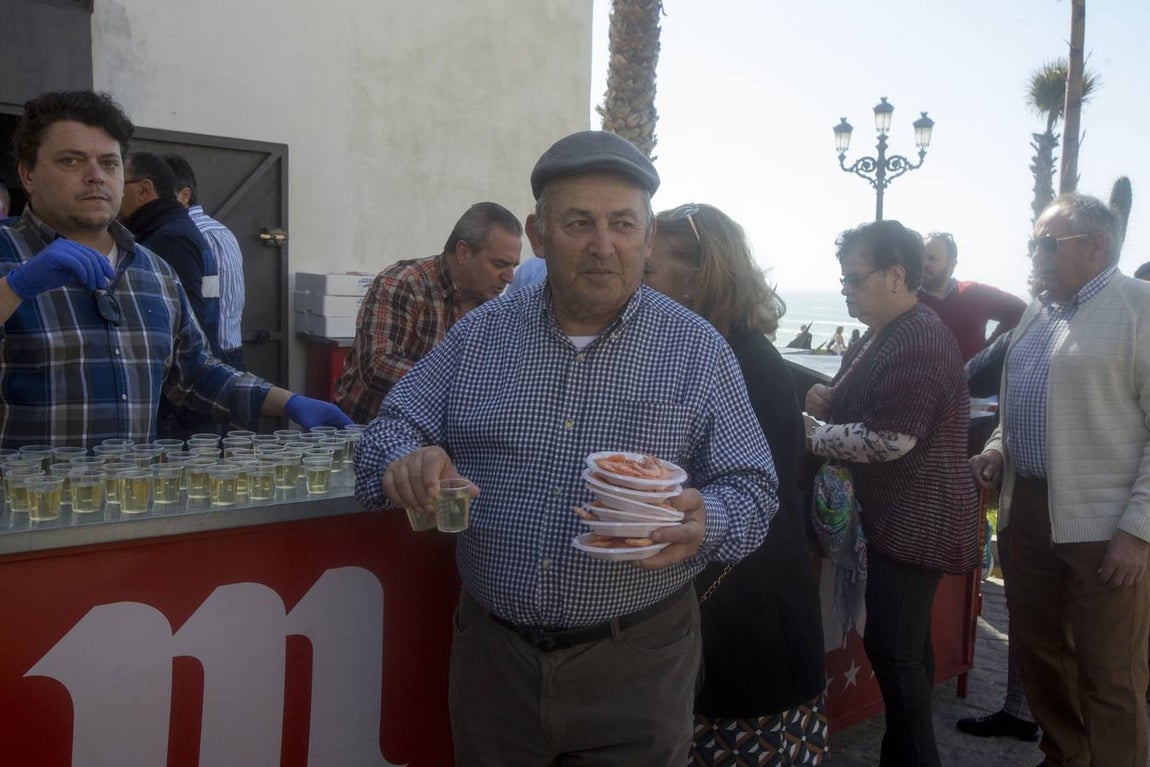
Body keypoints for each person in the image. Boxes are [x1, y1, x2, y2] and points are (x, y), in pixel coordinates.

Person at [353, 130, 779, 766]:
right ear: (538, 232)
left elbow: (753, 488)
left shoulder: (697, 350)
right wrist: (404, 460)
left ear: (648, 236)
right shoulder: (480, 336)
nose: (603, 246)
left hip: (638, 662)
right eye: (579, 222)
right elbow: (389, 428)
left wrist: (706, 520)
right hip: (494, 662)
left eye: (622, 224)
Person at [0, 90, 349, 448]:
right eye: (71, 161)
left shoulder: (154, 271)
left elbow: (195, 373)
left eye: (109, 163)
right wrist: (15, 288)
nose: (95, 176)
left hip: (132, 497)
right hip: (26, 500)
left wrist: (287, 401)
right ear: (28, 174)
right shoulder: (6, 253)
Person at [971, 193, 1150, 767]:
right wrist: (999, 447)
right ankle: (1065, 756)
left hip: (1104, 521)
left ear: (1095, 247)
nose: (1034, 254)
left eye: (1047, 244)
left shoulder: (1139, 308)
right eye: (1033, 242)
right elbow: (1021, 400)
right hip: (1028, 509)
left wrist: (1139, 529)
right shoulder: (1039, 310)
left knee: (1110, 669)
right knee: (1041, 652)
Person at [644, 202, 826, 765]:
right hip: (730, 602)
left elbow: (754, 504)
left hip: (749, 615)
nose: (635, 283)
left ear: (698, 278)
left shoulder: (746, 363)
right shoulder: (719, 353)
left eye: (648, 271)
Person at [804, 220, 979, 767]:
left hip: (917, 521)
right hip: (904, 516)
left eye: (853, 280)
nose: (847, 291)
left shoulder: (921, 337)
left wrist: (812, 434)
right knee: (909, 651)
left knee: (894, 652)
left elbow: (892, 438)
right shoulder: (888, 331)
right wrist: (827, 397)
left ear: (897, 276)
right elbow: (868, 402)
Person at [333, 202, 522, 423]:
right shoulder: (403, 284)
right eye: (500, 264)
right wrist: (464, 384)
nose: (510, 277)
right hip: (369, 431)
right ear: (464, 252)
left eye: (513, 266)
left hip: (439, 441)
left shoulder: (493, 306)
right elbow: (376, 367)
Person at [165, 153, 247, 371]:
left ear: (184, 195)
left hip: (208, 355)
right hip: (232, 350)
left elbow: (202, 304)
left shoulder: (184, 237)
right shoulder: (222, 231)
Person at [918, 231, 1026, 362]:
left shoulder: (973, 293)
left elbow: (1021, 311)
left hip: (971, 381)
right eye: (921, 257)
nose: (924, 264)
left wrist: (989, 351)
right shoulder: (908, 300)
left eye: (932, 259)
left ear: (952, 265)